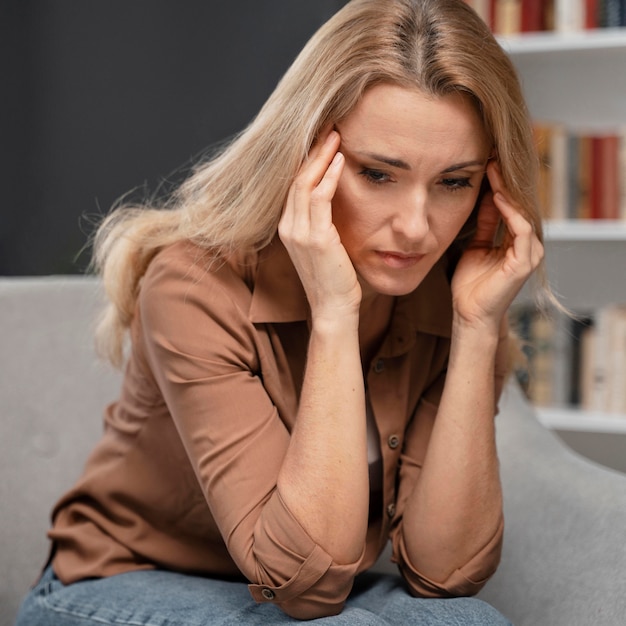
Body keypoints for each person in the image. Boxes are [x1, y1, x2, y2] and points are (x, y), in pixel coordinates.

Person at [16, 0, 546, 624]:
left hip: (291, 593)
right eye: (377, 174)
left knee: (470, 622)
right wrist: (332, 314)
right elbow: (308, 585)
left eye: (453, 182)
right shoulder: (194, 285)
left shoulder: (450, 291)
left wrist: (478, 329)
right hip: (115, 583)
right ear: (305, 161)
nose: (415, 227)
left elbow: (445, 574)